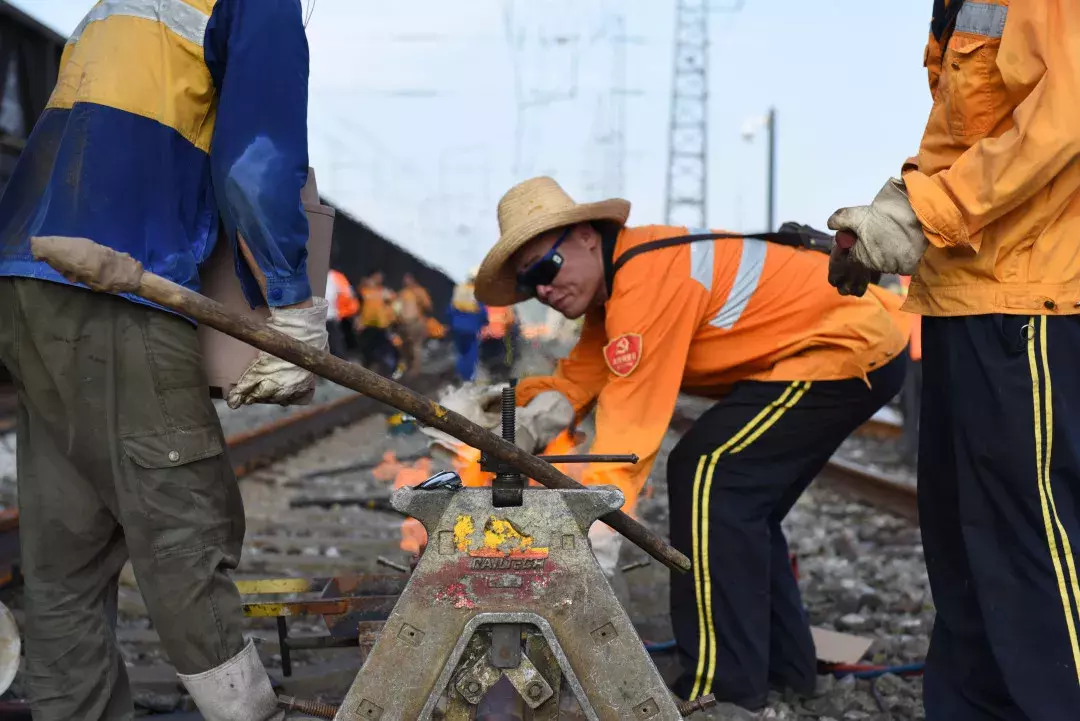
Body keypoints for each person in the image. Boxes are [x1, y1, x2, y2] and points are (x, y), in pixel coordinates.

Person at [0, 2, 325, 720]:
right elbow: (257, 163)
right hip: (116, 280)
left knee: (65, 556)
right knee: (184, 528)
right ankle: (246, 713)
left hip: (29, 274)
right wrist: (293, 303)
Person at [473, 177, 910, 710]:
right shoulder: (614, 291)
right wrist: (517, 423)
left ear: (586, 236)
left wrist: (587, 541)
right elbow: (581, 379)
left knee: (709, 475)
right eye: (529, 286)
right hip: (836, 349)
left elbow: (627, 432)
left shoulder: (644, 280)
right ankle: (787, 670)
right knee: (741, 501)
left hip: (841, 347)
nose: (542, 290)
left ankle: (720, 689)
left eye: (544, 268)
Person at [827, 3, 1080, 718]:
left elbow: (1064, 115)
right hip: (961, 299)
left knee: (1028, 549)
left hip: (1024, 301)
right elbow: (966, 135)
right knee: (966, 548)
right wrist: (895, 209)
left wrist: (923, 212)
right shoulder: (957, 5)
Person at [447, 268, 488, 383]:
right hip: (471, 329)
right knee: (471, 354)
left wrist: (452, 324)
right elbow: (482, 313)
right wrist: (485, 323)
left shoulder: (459, 290)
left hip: (457, 328)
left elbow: (449, 310)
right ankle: (468, 379)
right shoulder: (477, 293)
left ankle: (459, 376)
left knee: (460, 353)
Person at [356, 272, 398, 376]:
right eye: (375, 278)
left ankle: (389, 371)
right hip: (366, 325)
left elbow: (393, 302)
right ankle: (366, 372)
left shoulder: (384, 291)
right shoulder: (364, 291)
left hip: (381, 326)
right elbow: (358, 306)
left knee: (384, 349)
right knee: (367, 350)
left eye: (380, 278)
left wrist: (391, 321)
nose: (377, 280)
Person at [396, 272, 433, 375]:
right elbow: (396, 308)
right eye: (405, 279)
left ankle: (416, 370)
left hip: (416, 322)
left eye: (409, 279)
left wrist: (420, 299)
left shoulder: (420, 291)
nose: (406, 281)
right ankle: (408, 367)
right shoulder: (402, 293)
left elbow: (428, 306)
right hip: (403, 324)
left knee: (416, 346)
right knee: (405, 347)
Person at [325, 268, 360, 359]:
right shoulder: (335, 276)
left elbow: (348, 298)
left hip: (322, 318)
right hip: (328, 319)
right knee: (337, 354)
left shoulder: (334, 276)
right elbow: (349, 298)